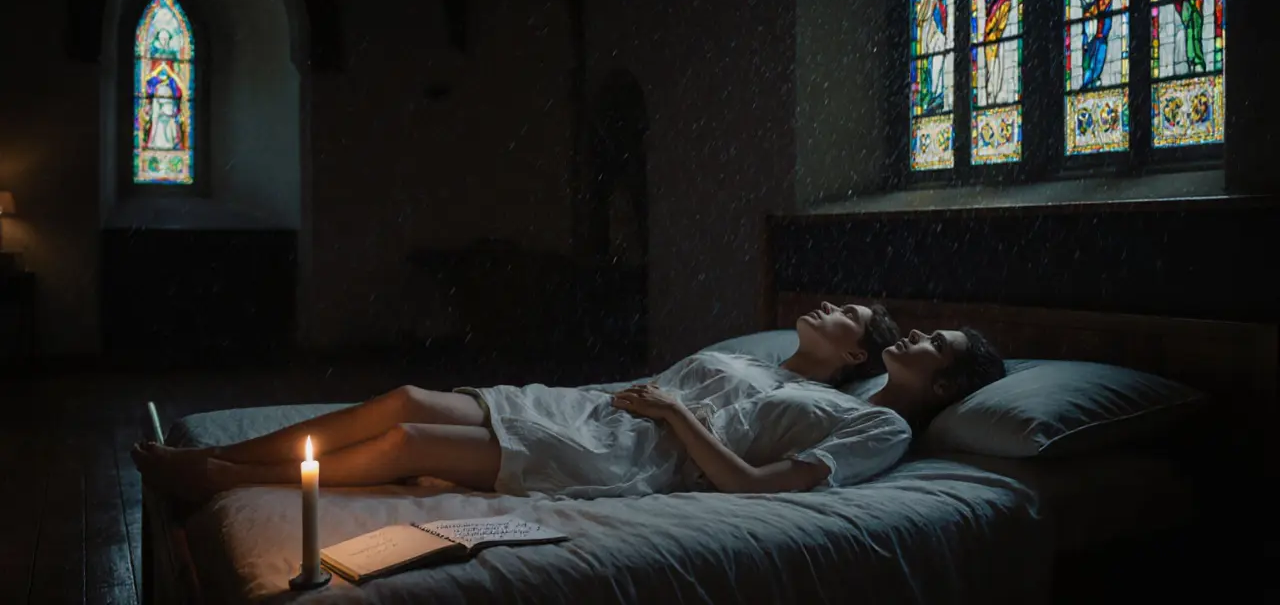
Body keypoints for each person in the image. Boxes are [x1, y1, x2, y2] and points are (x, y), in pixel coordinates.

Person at [133, 303, 1003, 501]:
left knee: (404, 440)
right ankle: (223, 463)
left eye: (939, 349)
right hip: (595, 412)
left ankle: (218, 477)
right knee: (403, 395)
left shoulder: (881, 426)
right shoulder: (782, 371)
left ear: (948, 387)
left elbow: (750, 485)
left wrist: (669, 415)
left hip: (629, 454)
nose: (921, 340)